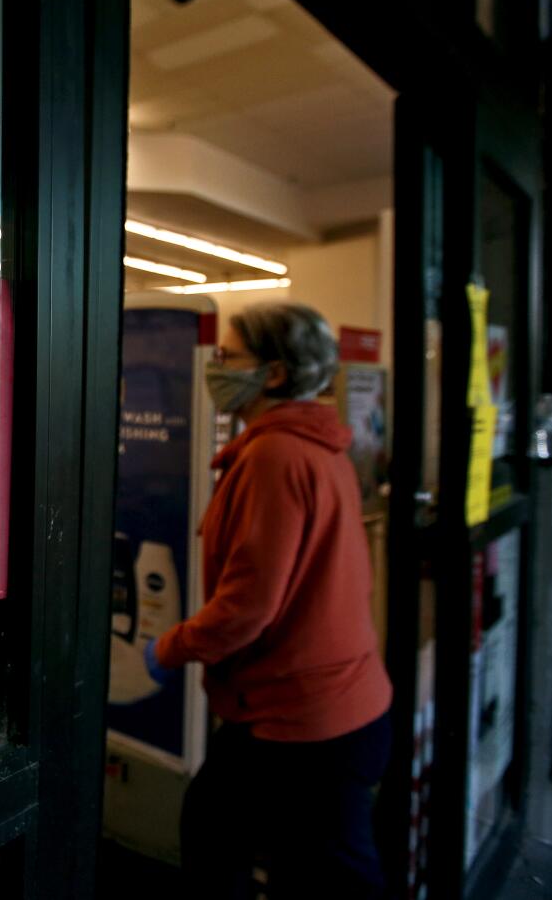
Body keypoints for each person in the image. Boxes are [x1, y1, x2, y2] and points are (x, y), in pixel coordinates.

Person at [144, 302, 393, 899]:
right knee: (265, 848)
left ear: (275, 374)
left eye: (230, 358)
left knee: (258, 851)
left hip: (306, 721)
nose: (218, 369)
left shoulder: (275, 456)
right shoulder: (319, 447)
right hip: (334, 706)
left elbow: (249, 605)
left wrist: (172, 647)